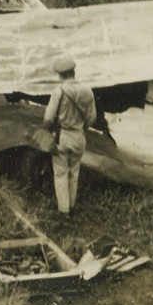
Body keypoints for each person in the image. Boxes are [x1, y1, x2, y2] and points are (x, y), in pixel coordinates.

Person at [43, 55, 96, 215]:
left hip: (62, 136)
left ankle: (63, 210)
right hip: (79, 136)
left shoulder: (59, 91)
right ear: (73, 72)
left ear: (61, 75)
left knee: (60, 173)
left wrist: (47, 129)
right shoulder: (87, 90)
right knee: (74, 172)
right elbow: (92, 119)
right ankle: (72, 206)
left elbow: (48, 118)